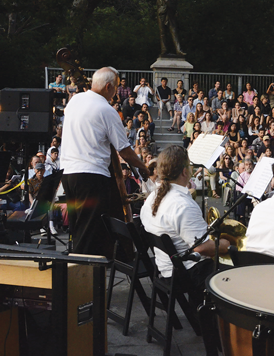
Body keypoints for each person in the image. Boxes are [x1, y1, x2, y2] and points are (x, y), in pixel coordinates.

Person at [61, 67, 149, 258]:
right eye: (116, 88)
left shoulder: (75, 100)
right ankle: (83, 281)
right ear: (108, 86)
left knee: (78, 230)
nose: (116, 93)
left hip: (68, 174)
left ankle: (82, 277)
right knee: (89, 236)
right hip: (90, 177)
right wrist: (144, 168)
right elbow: (124, 151)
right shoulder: (106, 110)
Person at [140, 146, 229, 302]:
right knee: (233, 271)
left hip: (166, 268)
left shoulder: (152, 197)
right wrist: (226, 245)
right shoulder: (182, 205)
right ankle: (210, 320)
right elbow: (201, 248)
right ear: (184, 172)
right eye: (189, 165)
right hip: (184, 274)